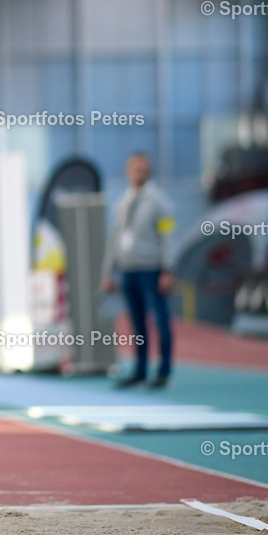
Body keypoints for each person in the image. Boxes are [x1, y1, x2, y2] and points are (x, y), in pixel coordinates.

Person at [100, 152, 175, 389]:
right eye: (135, 168)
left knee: (160, 321)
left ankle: (163, 371)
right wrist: (108, 272)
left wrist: (168, 269)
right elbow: (113, 240)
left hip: (151, 269)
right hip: (128, 270)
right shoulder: (122, 204)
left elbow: (168, 237)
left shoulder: (160, 203)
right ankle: (140, 370)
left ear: (149, 171)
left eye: (143, 168)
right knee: (136, 324)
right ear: (128, 171)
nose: (139, 172)